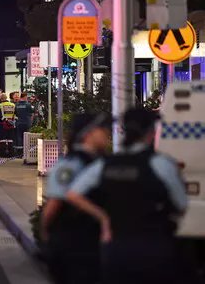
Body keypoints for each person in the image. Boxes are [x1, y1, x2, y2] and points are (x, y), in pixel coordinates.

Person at [67, 108, 194, 284]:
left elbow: (73, 194)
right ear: (151, 132)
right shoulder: (161, 164)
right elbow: (181, 204)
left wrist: (103, 217)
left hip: (115, 249)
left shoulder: (106, 164)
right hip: (154, 248)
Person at [40, 113, 111, 284]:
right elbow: (54, 204)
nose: (107, 133)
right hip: (74, 245)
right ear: (87, 134)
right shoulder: (71, 165)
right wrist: (45, 235)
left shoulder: (100, 161)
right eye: (101, 129)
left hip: (93, 244)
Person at [14, 92, 34, 156]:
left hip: (19, 122)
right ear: (25, 97)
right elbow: (31, 113)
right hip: (26, 122)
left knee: (19, 137)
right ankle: (26, 152)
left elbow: (16, 113)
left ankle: (20, 152)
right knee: (27, 137)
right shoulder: (28, 105)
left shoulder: (16, 105)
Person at [0, 93, 16, 158]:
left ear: (1, 99)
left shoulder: (0, 105)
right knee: (10, 139)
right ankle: (11, 153)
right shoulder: (13, 105)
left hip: (3, 124)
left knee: (2, 139)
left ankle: (3, 153)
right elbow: (15, 114)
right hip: (11, 123)